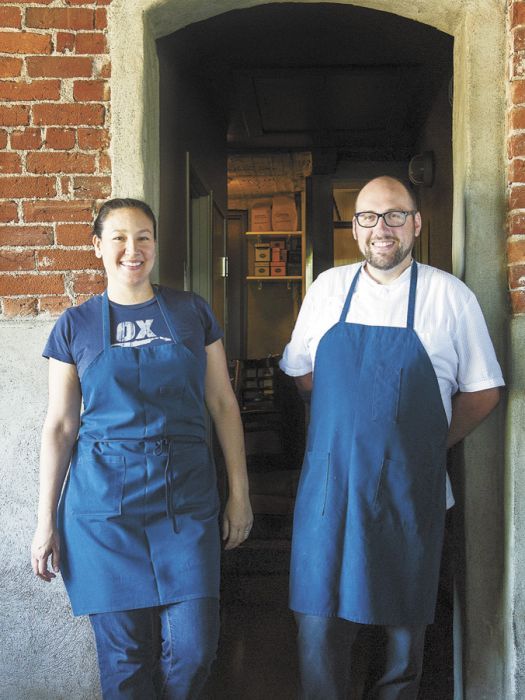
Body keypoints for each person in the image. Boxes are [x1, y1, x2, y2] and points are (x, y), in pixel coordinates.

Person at [280, 176, 504, 699]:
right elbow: (303, 373)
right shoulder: (328, 290)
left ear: (417, 223)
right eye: (368, 217)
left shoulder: (450, 296)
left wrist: (423, 446)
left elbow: (484, 391)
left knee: (402, 638)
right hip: (330, 495)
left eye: (395, 215)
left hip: (408, 492)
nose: (382, 228)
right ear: (354, 228)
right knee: (319, 629)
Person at [31, 198, 253, 699]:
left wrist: (239, 492)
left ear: (156, 243)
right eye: (119, 238)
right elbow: (62, 426)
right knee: (125, 663)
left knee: (196, 652)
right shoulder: (75, 325)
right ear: (97, 248)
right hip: (104, 512)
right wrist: (45, 521)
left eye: (145, 237)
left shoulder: (192, 312)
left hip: (187, 502)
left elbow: (222, 403)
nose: (134, 249)